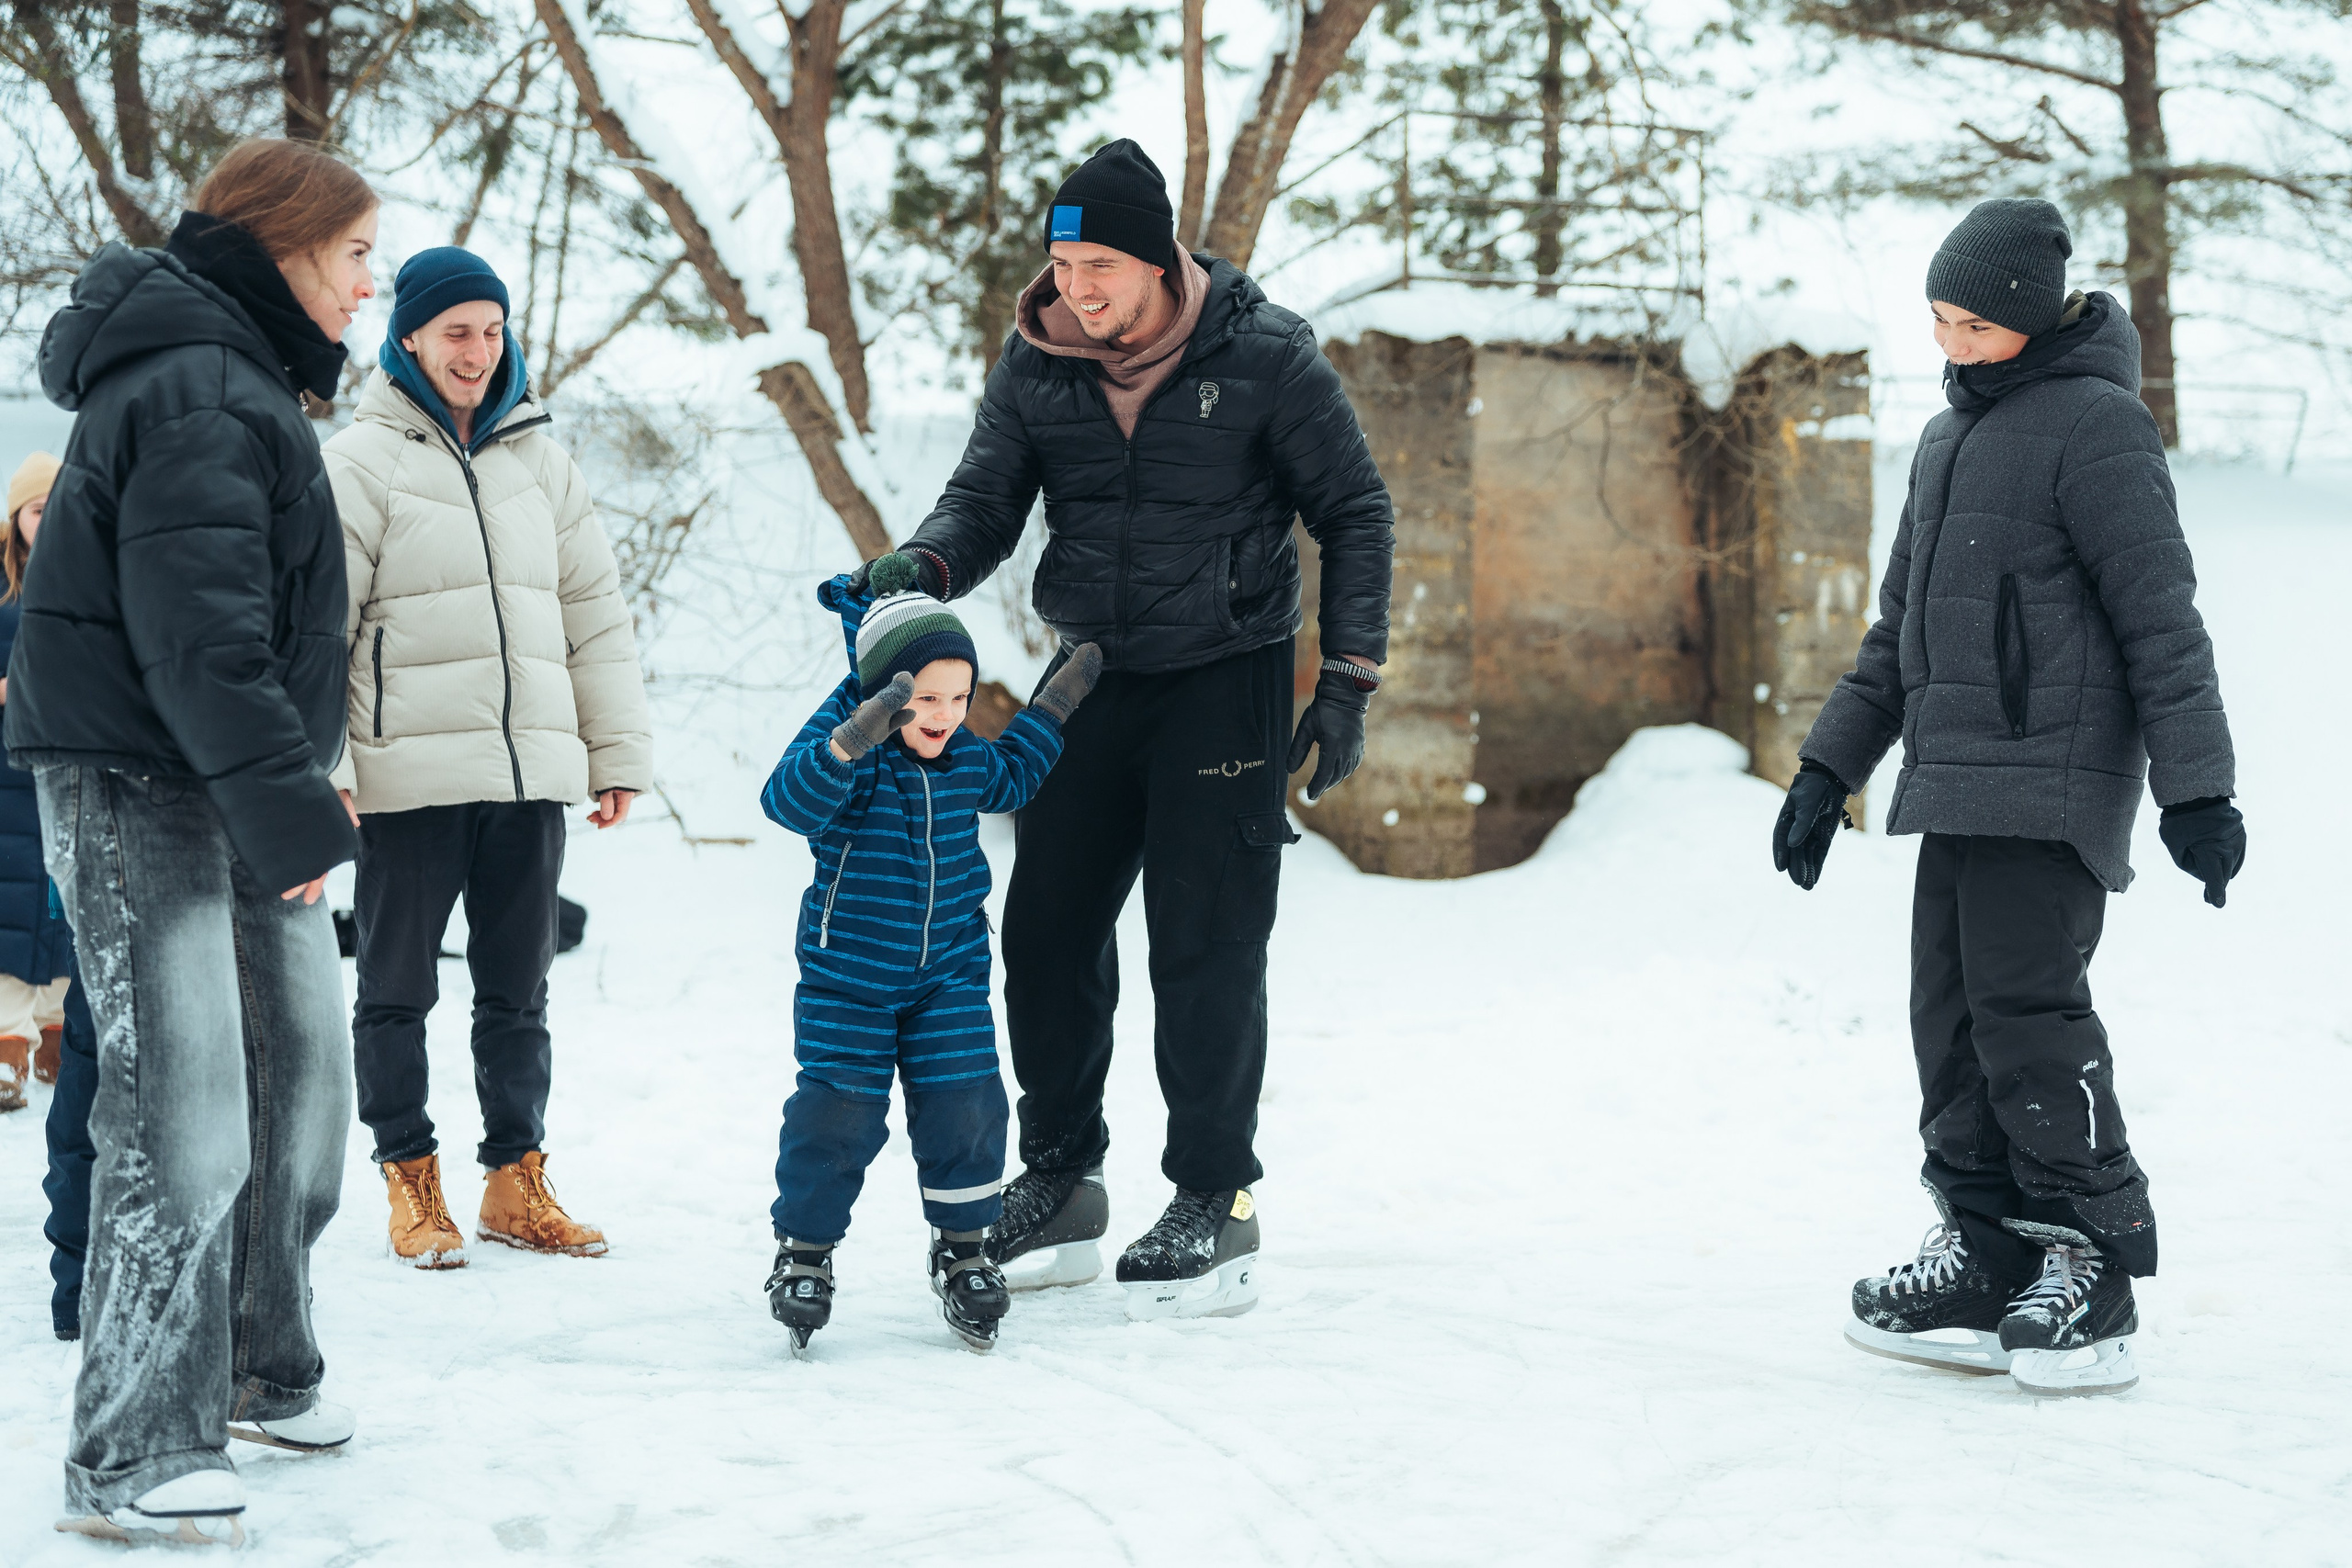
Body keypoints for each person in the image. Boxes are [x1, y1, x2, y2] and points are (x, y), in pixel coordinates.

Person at [858, 140, 1395, 1320]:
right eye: (1061, 263)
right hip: (1089, 673)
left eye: (1099, 263)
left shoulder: (1263, 353)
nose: (1077, 288)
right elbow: (986, 498)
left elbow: (1352, 509)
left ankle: (1217, 1199)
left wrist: (1347, 677)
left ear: (1157, 261)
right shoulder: (1038, 360)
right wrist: (924, 563)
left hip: (1227, 674)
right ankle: (1062, 1185)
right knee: (1043, 926)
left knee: (1204, 942)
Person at [1777, 198, 2244, 1400]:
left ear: (2032, 322)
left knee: (2030, 1017)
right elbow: (1897, 634)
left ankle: (2091, 1260)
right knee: (1952, 1022)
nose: (1952, 339)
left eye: (1974, 321)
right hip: (1954, 782)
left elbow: (2161, 621)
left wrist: (2200, 790)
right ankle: (1988, 1252)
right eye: (1937, 316)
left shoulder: (2098, 426)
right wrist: (1830, 769)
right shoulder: (1945, 440)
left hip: (2057, 780)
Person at [8, 137, 379, 1545]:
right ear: (285, 242)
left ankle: (255, 1363)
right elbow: (200, 639)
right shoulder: (200, 386)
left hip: (226, 779)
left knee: (299, 1087)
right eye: (354, 254)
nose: (368, 284)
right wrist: (283, 803)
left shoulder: (235, 373)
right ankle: (129, 1446)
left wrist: (285, 784)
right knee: (183, 1117)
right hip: (140, 781)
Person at [322, 246, 651, 1269]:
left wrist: (614, 749)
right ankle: (409, 1182)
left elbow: (593, 614)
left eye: (492, 330)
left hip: (527, 780)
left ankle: (516, 1180)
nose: (476, 350)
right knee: (395, 990)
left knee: (519, 990)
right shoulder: (359, 461)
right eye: (455, 330)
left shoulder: (539, 461)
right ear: (410, 337)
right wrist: (328, 765)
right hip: (408, 777)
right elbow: (320, 628)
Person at [759, 558, 1099, 1352]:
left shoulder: (960, 756)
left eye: (958, 697)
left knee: (968, 1105)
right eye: (924, 700)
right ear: (884, 696)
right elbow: (786, 800)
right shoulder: (856, 754)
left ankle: (965, 1248)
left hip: (947, 975)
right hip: (849, 979)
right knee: (836, 1111)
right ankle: (805, 1251)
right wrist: (849, 741)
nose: (944, 715)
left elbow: (1012, 776)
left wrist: (1056, 701)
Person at [0, 452, 76, 1112]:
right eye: (35, 511)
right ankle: (7, 1045)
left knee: (61, 908)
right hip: (8, 777)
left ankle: (56, 1035)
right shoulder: (4, 594)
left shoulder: (92, 582)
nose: (47, 523)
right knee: (8, 908)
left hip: (68, 771)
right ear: (16, 519)